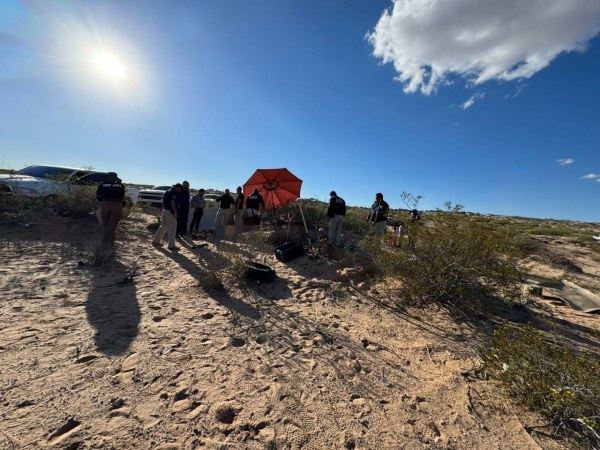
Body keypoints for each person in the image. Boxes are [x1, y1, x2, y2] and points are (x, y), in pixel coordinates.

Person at [96, 172, 125, 248]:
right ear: (116, 178)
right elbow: (122, 196)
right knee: (112, 225)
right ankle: (108, 243)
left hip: (104, 204)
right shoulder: (121, 185)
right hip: (117, 205)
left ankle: (104, 242)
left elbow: (98, 196)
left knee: (104, 224)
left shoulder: (102, 185)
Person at [152, 183, 183, 250]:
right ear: (178, 187)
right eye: (180, 189)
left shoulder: (168, 191)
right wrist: (175, 212)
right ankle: (171, 245)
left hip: (165, 210)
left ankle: (156, 241)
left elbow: (164, 201)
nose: (180, 191)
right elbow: (172, 202)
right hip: (170, 212)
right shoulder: (173, 192)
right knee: (172, 228)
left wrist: (163, 209)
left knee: (163, 226)